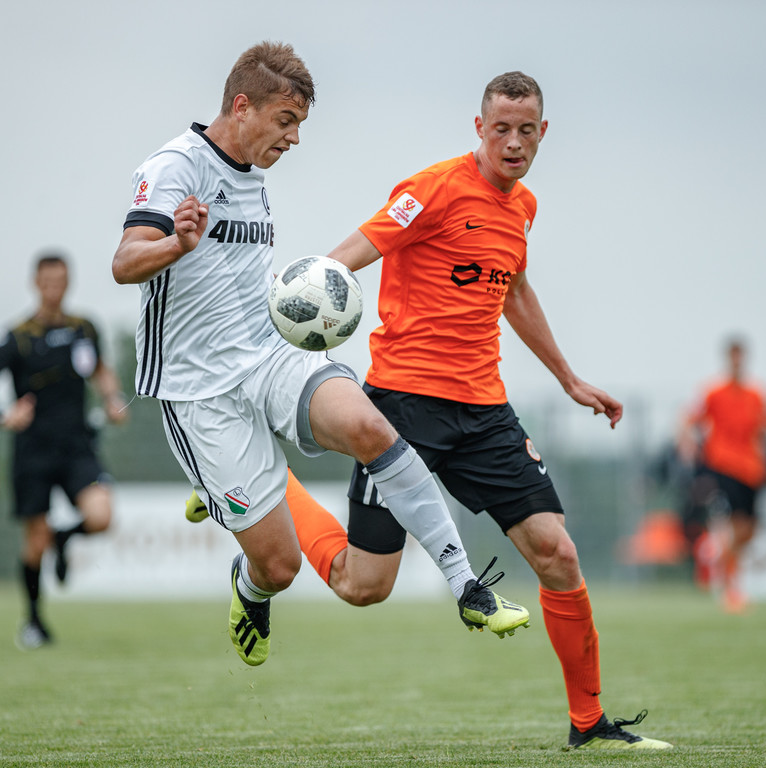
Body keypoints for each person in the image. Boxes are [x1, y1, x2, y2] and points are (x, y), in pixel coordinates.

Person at [186, 70, 673, 750]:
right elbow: (358, 249)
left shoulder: (523, 206)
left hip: (485, 413)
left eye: (525, 130)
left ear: (542, 133)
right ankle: (269, 491)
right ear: (479, 129)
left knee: (558, 554)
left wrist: (568, 378)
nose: (512, 142)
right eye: (500, 129)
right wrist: (306, 291)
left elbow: (515, 291)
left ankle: (588, 724)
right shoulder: (434, 190)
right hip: (404, 408)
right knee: (364, 586)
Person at [112, 41, 529, 669]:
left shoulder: (252, 176)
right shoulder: (178, 166)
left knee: (369, 425)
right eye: (287, 122)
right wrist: (176, 244)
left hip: (267, 354)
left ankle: (467, 585)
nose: (295, 139)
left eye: (300, 125)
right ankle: (245, 576)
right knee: (278, 567)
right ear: (243, 106)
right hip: (199, 389)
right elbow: (124, 262)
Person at [0, 253, 127, 649]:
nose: (54, 287)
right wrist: (7, 415)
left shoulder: (83, 327)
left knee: (102, 516)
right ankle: (34, 621)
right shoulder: (17, 336)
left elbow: (101, 371)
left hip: (76, 445)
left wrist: (112, 397)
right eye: (47, 281)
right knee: (34, 540)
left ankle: (65, 537)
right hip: (33, 450)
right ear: (36, 283)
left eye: (60, 280)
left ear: (67, 282)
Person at [677, 337, 766, 610]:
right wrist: (688, 445)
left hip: (752, 470)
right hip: (724, 466)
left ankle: (718, 557)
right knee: (735, 526)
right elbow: (688, 420)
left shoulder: (755, 395)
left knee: (748, 530)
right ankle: (731, 589)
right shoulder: (714, 392)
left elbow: (762, 429)